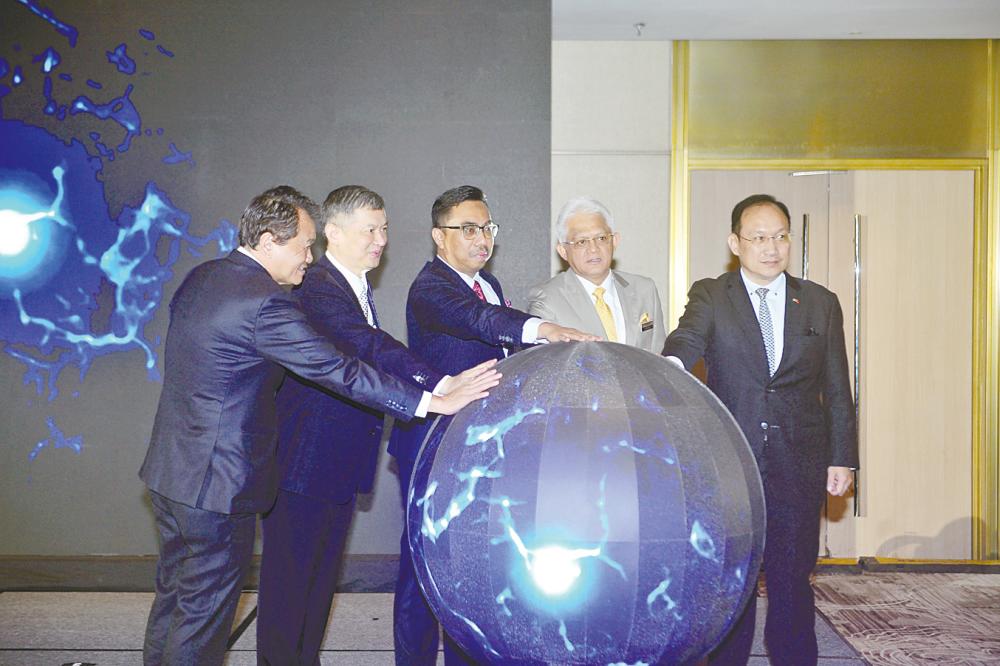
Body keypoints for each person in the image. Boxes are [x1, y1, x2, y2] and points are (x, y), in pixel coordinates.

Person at [138, 186, 498, 666]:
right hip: (216, 484)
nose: (309, 258)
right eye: (303, 246)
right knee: (203, 620)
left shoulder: (205, 277)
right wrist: (433, 400)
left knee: (174, 604)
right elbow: (336, 367)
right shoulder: (265, 302)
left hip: (170, 472)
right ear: (268, 241)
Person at [256, 185, 498, 665]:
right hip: (303, 467)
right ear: (333, 232)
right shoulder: (318, 286)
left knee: (316, 593)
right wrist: (439, 389)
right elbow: (369, 348)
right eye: (370, 229)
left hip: (335, 469)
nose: (381, 240)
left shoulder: (352, 286)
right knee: (289, 597)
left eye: (384, 228)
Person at [388, 185, 598, 665]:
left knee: (473, 566)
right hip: (432, 448)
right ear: (439, 237)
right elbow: (480, 321)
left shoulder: (488, 284)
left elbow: (497, 345)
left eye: (487, 228)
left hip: (480, 447)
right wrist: (546, 329)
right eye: (468, 229)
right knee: (423, 569)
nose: (482, 239)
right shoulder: (432, 288)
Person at [663, 193, 857, 665]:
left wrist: (843, 456)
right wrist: (668, 366)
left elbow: (836, 387)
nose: (772, 248)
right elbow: (688, 337)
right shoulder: (712, 294)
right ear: (735, 242)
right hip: (733, 465)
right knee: (735, 582)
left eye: (781, 236)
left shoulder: (820, 302)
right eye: (759, 238)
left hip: (799, 461)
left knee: (792, 580)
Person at [527, 196, 666, 352]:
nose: (593, 248)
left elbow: (658, 360)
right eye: (581, 242)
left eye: (601, 238)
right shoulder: (548, 299)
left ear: (614, 241)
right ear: (563, 251)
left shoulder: (644, 290)